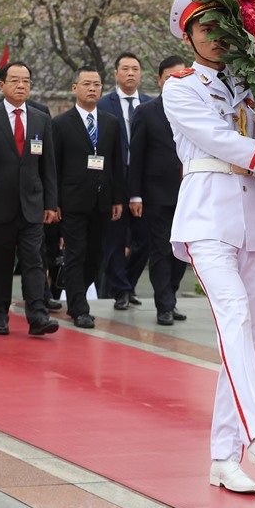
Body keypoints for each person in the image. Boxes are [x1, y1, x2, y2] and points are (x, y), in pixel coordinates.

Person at [164, 0, 255, 494]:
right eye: (206, 28)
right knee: (234, 318)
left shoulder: (252, 85)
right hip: (207, 215)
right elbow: (224, 141)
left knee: (253, 340)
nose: (217, 37)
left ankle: (225, 457)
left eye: (224, 27)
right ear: (189, 34)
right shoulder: (180, 87)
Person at [0, 61, 59, 336]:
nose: (21, 86)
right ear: (2, 85)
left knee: (34, 262)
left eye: (26, 81)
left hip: (31, 205)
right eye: (16, 80)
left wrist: (50, 204)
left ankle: (38, 316)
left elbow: (48, 166)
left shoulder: (41, 118)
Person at [52, 66, 124, 329]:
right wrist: (55, 200)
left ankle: (76, 295)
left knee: (94, 256)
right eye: (87, 84)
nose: (92, 88)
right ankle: (79, 307)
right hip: (72, 201)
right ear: (75, 88)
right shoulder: (60, 123)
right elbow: (54, 166)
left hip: (102, 200)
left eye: (96, 84)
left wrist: (118, 198)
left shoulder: (111, 123)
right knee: (76, 253)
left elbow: (116, 162)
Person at [128, 55, 188, 325]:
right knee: (160, 250)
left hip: (188, 194)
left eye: (183, 76)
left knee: (182, 251)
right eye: (171, 77)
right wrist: (135, 194)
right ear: (161, 79)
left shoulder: (194, 109)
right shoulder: (146, 111)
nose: (178, 82)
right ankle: (163, 304)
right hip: (156, 195)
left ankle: (171, 296)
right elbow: (137, 156)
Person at [97, 52, 152, 310]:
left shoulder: (150, 104)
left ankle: (126, 283)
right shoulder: (103, 105)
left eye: (135, 69)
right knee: (114, 238)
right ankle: (120, 290)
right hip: (114, 178)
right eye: (125, 69)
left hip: (143, 179)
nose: (131, 73)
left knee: (146, 238)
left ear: (141, 74)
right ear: (116, 74)